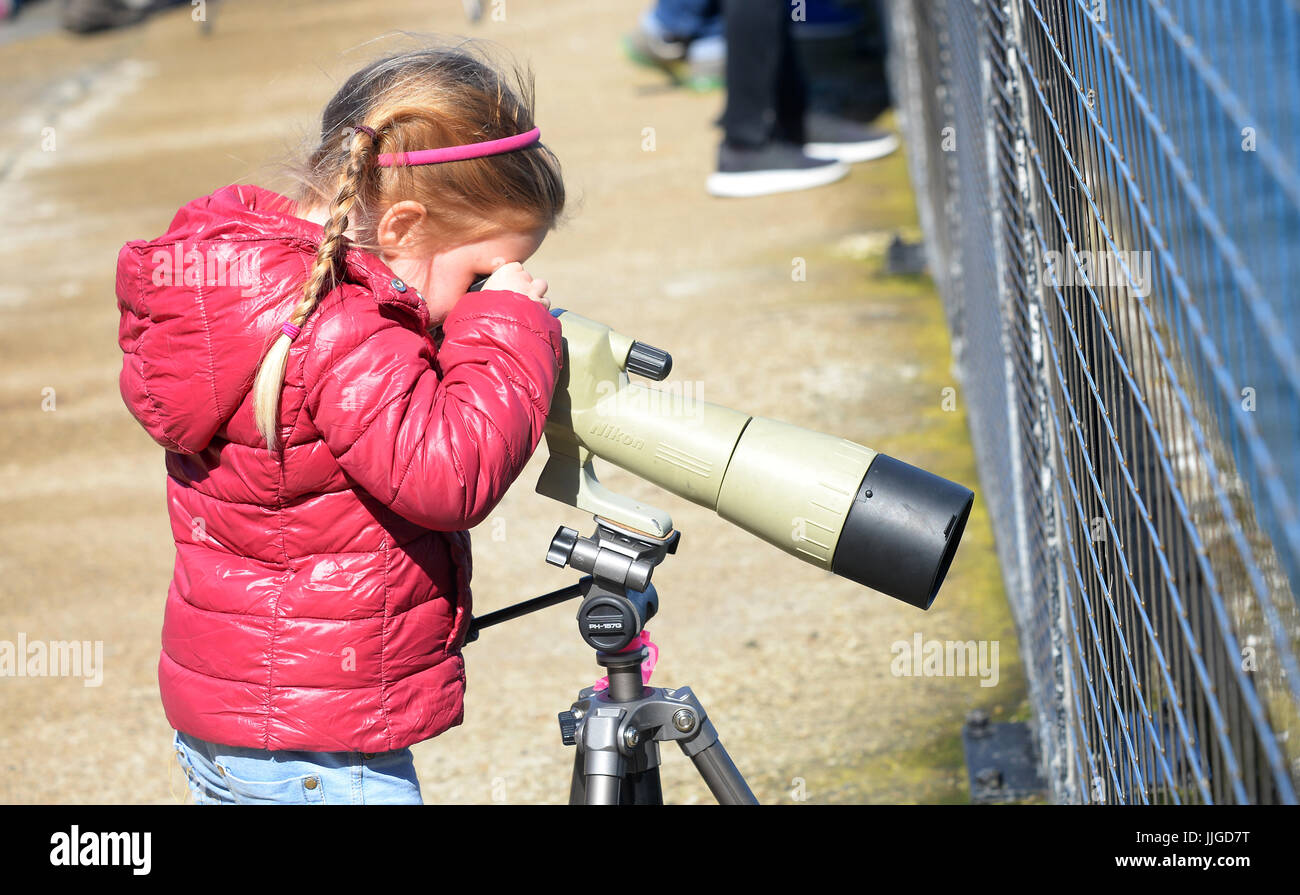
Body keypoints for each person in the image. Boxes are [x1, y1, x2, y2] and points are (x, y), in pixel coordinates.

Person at [116, 45, 566, 804]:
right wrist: (511, 328)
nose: (482, 298)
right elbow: (448, 472)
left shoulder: (258, 288)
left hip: (237, 726)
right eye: (480, 276)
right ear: (401, 225)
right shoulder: (346, 326)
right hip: (322, 750)